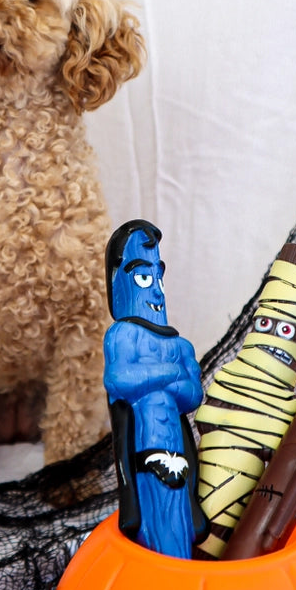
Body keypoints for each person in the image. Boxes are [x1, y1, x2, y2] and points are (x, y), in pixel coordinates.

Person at [103, 219, 206, 558]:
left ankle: (180, 564)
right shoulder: (122, 335)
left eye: (158, 278)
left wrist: (156, 378)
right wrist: (169, 374)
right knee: (152, 518)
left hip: (179, 456)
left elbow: (192, 394)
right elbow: (119, 380)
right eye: (144, 279)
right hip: (145, 451)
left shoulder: (180, 345)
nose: (157, 291)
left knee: (181, 516)